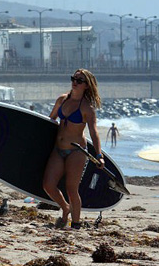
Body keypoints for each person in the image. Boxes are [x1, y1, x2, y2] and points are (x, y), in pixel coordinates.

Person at [42, 68, 104, 229]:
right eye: (73, 78)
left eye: (79, 80)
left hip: (76, 151)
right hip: (58, 149)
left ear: (87, 86)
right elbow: (50, 121)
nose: (75, 82)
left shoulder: (87, 108)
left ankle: (76, 224)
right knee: (48, 185)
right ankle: (65, 208)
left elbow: (94, 132)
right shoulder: (62, 100)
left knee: (71, 189)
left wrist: (99, 155)